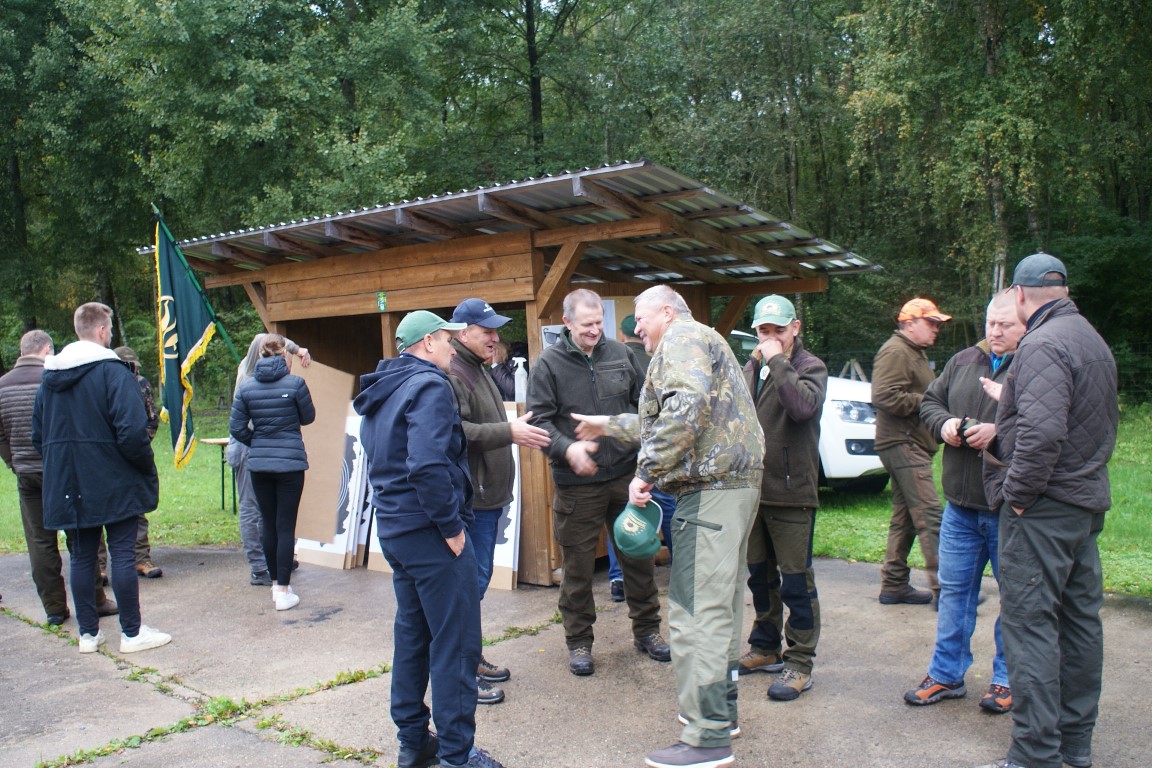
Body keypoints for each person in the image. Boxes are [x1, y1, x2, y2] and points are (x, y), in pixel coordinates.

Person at [575, 285, 765, 768]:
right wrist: (608, 424)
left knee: (694, 612)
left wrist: (645, 474)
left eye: (640, 318)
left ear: (666, 310)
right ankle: (720, 715)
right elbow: (669, 418)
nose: (636, 328)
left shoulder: (681, 337)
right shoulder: (702, 340)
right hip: (732, 488)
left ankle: (706, 737)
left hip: (710, 492)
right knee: (719, 607)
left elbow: (684, 410)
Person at [976, 253, 1117, 768]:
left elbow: (1042, 435)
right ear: (1064, 290)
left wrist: (1016, 495)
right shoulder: (1091, 339)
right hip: (1083, 505)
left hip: (1044, 509)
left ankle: (1036, 754)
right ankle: (1075, 746)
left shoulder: (1041, 344)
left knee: (1030, 627)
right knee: (1080, 625)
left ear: (1019, 295)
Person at [354, 310, 506, 768]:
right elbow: (425, 464)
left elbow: (384, 458)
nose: (451, 346)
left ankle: (414, 742)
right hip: (431, 533)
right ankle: (457, 755)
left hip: (396, 530)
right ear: (427, 343)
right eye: (445, 338)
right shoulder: (429, 386)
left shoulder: (384, 386)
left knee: (413, 635)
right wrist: (451, 527)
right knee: (456, 643)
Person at [526, 288, 669, 677]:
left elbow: (645, 407)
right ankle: (579, 642)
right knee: (577, 568)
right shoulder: (548, 365)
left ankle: (648, 631)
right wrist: (567, 448)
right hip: (577, 484)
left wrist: (641, 455)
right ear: (567, 322)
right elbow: (538, 421)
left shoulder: (621, 354)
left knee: (638, 558)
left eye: (598, 323)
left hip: (624, 477)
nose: (594, 331)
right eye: (586, 324)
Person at [905, 291, 1024, 713]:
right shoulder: (963, 360)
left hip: (1009, 508)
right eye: (991, 323)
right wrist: (945, 424)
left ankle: (1007, 680)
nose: (996, 331)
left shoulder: (1033, 365)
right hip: (960, 506)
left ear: (1026, 323)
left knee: (1014, 598)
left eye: (1006, 324)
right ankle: (946, 675)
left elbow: (1047, 425)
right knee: (954, 593)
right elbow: (930, 403)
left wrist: (998, 433)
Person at [32, 302, 171, 654]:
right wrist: (143, 467)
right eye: (109, 329)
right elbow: (133, 433)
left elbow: (39, 436)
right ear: (102, 330)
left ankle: (88, 635)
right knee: (122, 553)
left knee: (82, 557)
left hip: (70, 483)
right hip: (113, 480)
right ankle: (132, 634)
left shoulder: (50, 379)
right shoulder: (113, 373)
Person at [448, 298, 551, 705]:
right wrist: (509, 432)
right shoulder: (454, 372)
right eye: (486, 330)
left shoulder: (478, 367)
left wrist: (511, 427)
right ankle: (460, 675)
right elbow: (456, 431)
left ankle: (470, 659)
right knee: (465, 589)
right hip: (473, 501)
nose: (495, 338)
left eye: (495, 330)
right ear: (462, 333)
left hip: (488, 497)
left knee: (476, 584)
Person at [738, 295, 826, 702]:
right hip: (753, 492)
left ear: (795, 328)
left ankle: (800, 662)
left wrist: (776, 360)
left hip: (792, 492)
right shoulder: (752, 366)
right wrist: (755, 364)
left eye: (778, 329)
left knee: (795, 582)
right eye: (763, 330)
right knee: (759, 577)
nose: (770, 337)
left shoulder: (810, 367)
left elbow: (801, 408)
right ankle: (765, 646)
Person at [1, 330, 117, 626]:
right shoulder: (55, 380)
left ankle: (54, 607)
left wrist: (14, 461)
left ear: (22, 352)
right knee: (80, 535)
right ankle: (94, 599)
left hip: (26, 473)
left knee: (39, 541)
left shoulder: (2, 386)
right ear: (48, 351)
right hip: (63, 469)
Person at [872, 297, 950, 605]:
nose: (936, 329)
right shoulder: (896, 351)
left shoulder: (913, 352)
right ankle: (949, 591)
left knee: (904, 518)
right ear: (909, 324)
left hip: (909, 442)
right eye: (930, 323)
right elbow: (884, 396)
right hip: (902, 442)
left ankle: (894, 584)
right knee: (930, 514)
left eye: (937, 324)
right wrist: (929, 400)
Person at [229, 334, 315, 611]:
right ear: (283, 356)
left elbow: (236, 427)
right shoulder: (296, 384)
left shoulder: (246, 387)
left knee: (268, 523)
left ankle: (275, 584)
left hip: (260, 465)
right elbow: (308, 417)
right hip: (290, 464)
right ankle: (284, 590)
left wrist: (257, 442)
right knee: (285, 525)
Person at [602, 315, 678, 604]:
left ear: (622, 336)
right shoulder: (657, 360)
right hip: (658, 443)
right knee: (666, 504)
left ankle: (618, 577)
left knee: (625, 510)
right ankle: (679, 564)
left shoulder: (614, 361)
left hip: (624, 444)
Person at [102, 346, 163, 580]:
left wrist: (138, 445)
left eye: (133, 366)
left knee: (136, 508)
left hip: (134, 454)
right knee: (99, 510)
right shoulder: (102, 383)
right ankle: (99, 566)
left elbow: (152, 419)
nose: (132, 370)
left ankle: (141, 559)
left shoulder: (141, 384)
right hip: (105, 457)